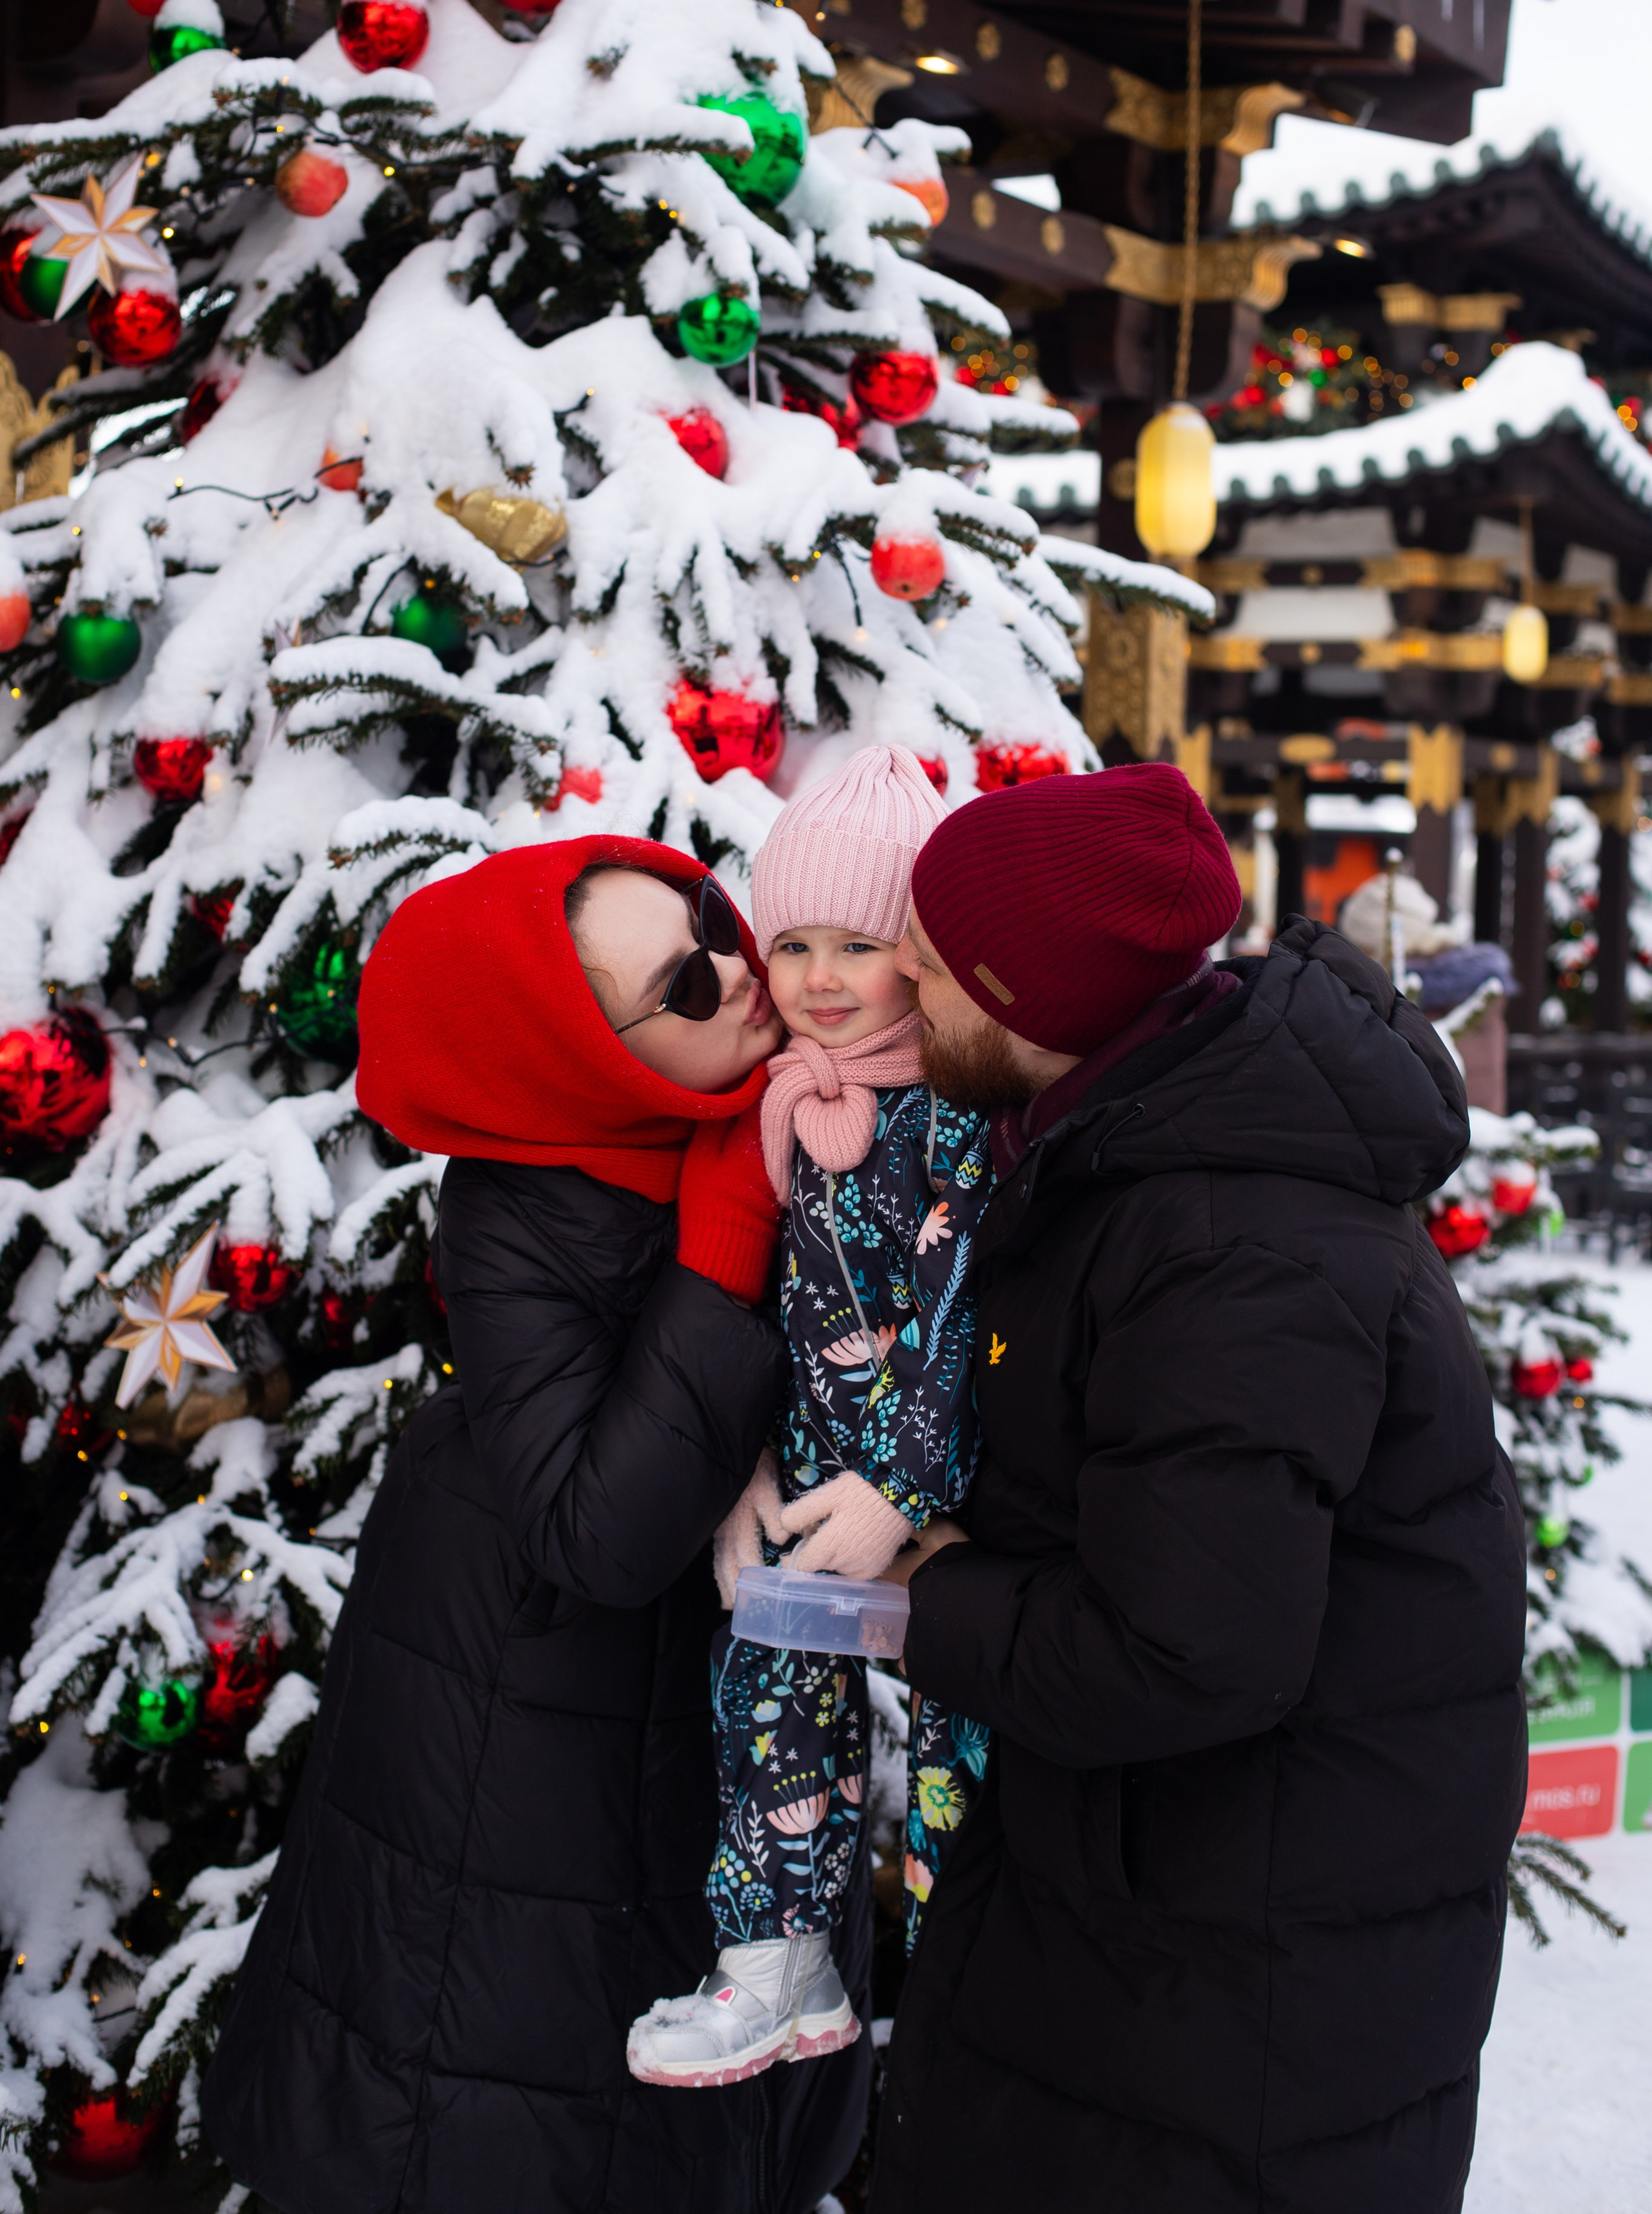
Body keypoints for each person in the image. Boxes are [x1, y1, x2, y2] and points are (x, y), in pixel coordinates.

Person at [871, 765, 1528, 2214]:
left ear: (1030, 992)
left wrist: (928, 1596)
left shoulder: (1232, 1248)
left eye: (927, 955)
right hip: (1172, 1930)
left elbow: (1185, 1649)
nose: (894, 975)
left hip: (1239, 2004)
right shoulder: (1143, 1162)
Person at [203, 835, 870, 2214]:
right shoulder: (518, 1219)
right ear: (573, 1057)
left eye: (709, 922)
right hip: (528, 1717)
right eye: (685, 986)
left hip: (695, 1716)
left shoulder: (809, 1109)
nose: (741, 974)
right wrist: (723, 1239)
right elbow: (599, 1534)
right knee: (523, 2099)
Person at [628, 749, 992, 2091]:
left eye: (859, 942)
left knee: (965, 1731)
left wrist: (902, 1487)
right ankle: (778, 1964)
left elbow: (955, 1313)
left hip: (937, 1500)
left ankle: (968, 1991)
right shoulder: (776, 1099)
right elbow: (751, 1308)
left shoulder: (953, 1110)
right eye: (791, 944)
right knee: (767, 1704)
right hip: (803, 1484)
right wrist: (745, 1466)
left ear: (919, 957)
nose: (820, 976)